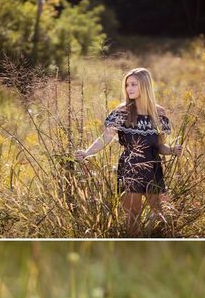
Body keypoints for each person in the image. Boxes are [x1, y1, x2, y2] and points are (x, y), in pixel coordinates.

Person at [75, 69, 181, 234]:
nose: (128, 88)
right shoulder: (122, 111)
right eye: (126, 85)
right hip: (130, 167)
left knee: (164, 213)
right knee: (133, 216)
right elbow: (106, 137)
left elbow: (159, 146)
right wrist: (87, 152)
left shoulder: (158, 112)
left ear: (144, 86)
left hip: (153, 167)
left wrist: (172, 150)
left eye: (133, 84)